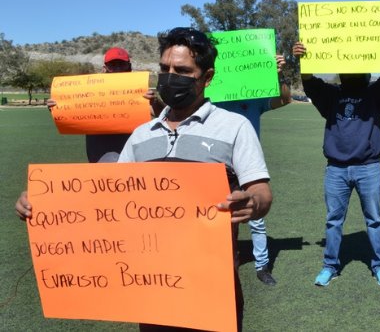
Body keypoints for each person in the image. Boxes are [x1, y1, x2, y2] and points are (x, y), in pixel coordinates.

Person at [17, 27, 273, 331]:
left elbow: (261, 191)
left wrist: (253, 202)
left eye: (182, 70)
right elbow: (107, 198)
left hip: (211, 286)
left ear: (207, 76)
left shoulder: (233, 126)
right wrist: (44, 203)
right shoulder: (141, 134)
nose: (170, 76)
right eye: (164, 69)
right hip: (152, 288)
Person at [292, 36, 380, 287]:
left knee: (374, 219)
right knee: (333, 220)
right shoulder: (331, 95)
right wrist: (303, 58)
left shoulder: (375, 94)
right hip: (336, 169)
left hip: (368, 167)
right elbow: (309, 81)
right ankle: (330, 265)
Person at [214, 55, 292, 286]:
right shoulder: (211, 98)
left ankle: (262, 266)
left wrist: (278, 75)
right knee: (218, 216)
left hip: (247, 165)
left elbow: (284, 99)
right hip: (216, 166)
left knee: (256, 219)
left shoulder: (255, 98)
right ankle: (218, 265)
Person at [46, 47, 160, 163]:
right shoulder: (90, 90)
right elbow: (73, 111)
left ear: (129, 67)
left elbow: (161, 114)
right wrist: (57, 107)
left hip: (132, 157)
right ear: (104, 69)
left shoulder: (139, 92)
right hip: (100, 158)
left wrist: (154, 102)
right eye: (113, 65)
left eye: (122, 65)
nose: (117, 69)